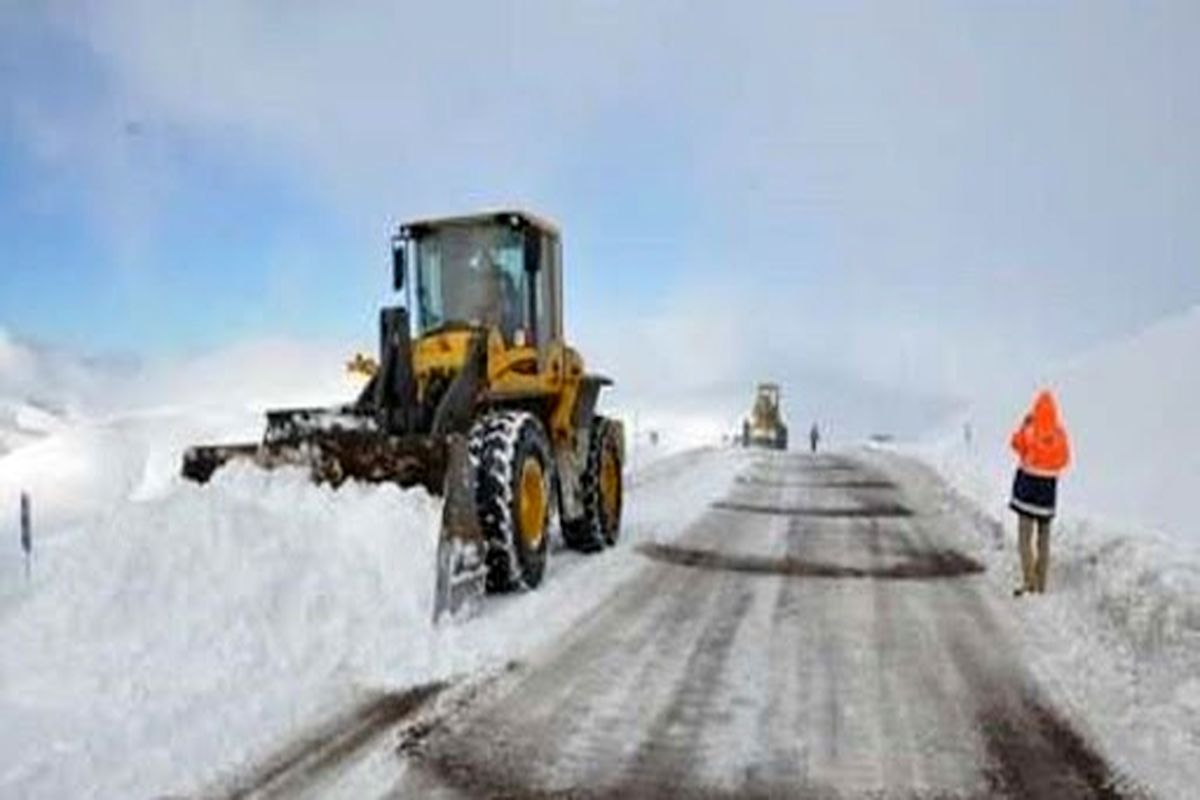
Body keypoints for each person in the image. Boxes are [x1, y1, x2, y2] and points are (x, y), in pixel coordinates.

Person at [1009, 390, 1071, 596]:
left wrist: (1025, 425)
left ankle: (1029, 582)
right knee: (1044, 541)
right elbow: (1065, 460)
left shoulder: (1030, 430)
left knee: (1024, 539)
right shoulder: (1060, 434)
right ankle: (1041, 583)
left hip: (1027, 493)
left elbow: (1015, 444)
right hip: (1047, 495)